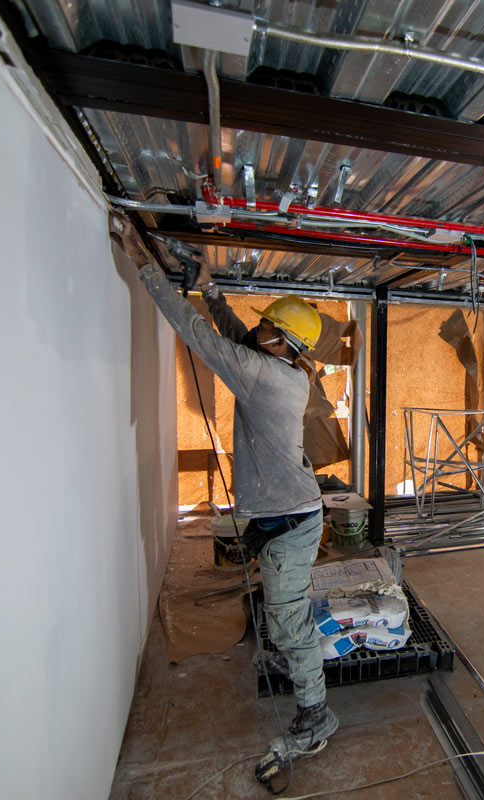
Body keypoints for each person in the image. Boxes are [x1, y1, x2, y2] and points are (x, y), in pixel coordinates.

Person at [110, 215, 337, 786]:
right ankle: (296, 661)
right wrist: (210, 287)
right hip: (287, 511)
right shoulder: (284, 370)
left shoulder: (266, 375)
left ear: (284, 343)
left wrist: (146, 269)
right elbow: (239, 338)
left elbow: (207, 340)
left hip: (290, 520)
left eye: (268, 328)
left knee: (289, 620)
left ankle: (315, 715)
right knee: (284, 611)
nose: (259, 329)